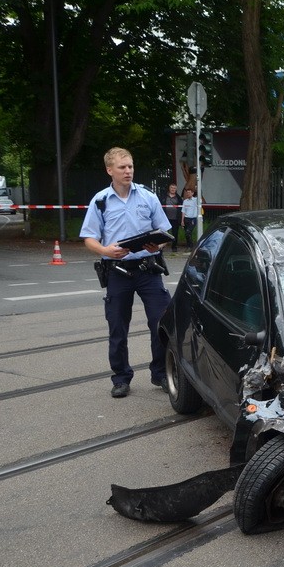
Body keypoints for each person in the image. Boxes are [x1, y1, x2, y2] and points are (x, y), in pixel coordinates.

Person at [80, 147, 172, 398]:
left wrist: (159, 244)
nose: (128, 171)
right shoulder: (100, 200)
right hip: (118, 271)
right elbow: (89, 238)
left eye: (130, 166)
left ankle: (161, 373)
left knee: (162, 322)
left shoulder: (147, 196)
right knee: (118, 327)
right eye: (122, 167)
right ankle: (121, 378)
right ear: (110, 170)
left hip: (148, 269)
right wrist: (106, 251)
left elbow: (164, 230)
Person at [163, 183, 183, 252]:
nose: (173, 189)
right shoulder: (164, 196)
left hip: (175, 219)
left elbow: (181, 208)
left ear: (176, 189)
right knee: (164, 233)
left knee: (175, 233)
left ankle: (174, 247)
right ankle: (162, 246)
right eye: (171, 188)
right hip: (165, 218)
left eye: (174, 188)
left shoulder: (179, 198)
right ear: (169, 188)